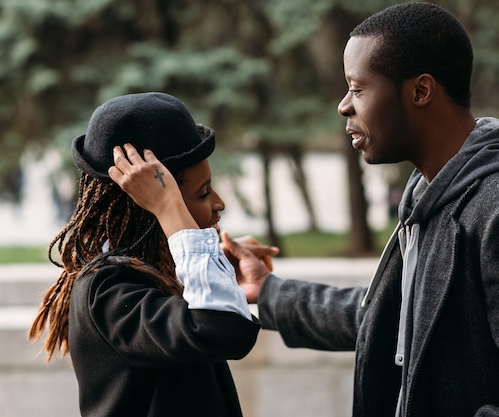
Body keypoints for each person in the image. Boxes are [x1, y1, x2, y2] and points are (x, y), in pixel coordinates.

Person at [223, 3, 499, 417]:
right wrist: (268, 291)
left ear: (420, 91)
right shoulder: (429, 197)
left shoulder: (491, 207)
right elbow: (387, 317)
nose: (343, 106)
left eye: (358, 88)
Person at [28, 92, 274, 417]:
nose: (219, 202)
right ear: (148, 204)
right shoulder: (107, 290)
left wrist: (217, 266)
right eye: (203, 192)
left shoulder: (157, 274)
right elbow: (223, 327)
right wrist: (170, 208)